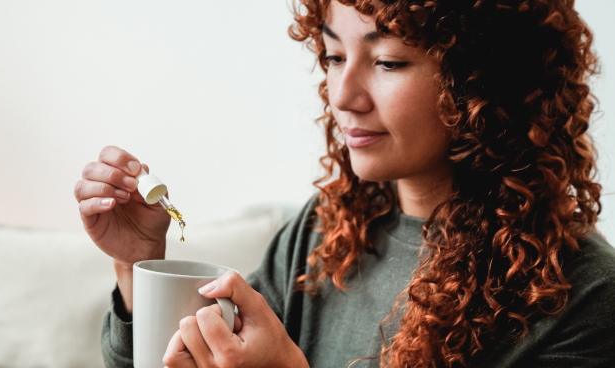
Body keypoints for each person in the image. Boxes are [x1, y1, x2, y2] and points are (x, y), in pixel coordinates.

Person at [74, 0, 615, 366]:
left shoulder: (581, 296)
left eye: (388, 61)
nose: (342, 93)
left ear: (486, 78)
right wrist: (140, 265)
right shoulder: (323, 234)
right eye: (334, 56)